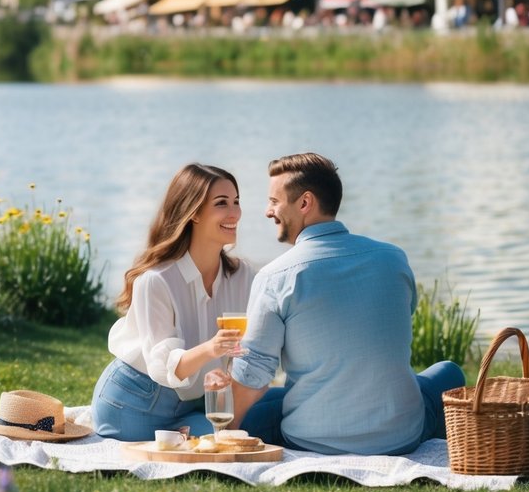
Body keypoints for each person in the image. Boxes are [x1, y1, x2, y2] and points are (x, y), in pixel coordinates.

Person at [230, 153, 465, 455]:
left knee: (265, 405)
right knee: (449, 372)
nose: (267, 211)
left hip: (311, 440)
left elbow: (254, 373)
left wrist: (222, 435)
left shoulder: (275, 276)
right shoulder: (393, 258)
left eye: (274, 201)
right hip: (402, 436)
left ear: (304, 203)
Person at [92, 164, 254, 440]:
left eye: (236, 202)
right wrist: (212, 348)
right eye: (222, 203)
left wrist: (222, 370)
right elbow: (162, 366)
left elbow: (249, 346)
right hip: (134, 403)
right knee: (231, 439)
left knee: (262, 421)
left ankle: (188, 432)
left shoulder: (241, 276)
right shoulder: (156, 281)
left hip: (193, 402)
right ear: (194, 213)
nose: (234, 213)